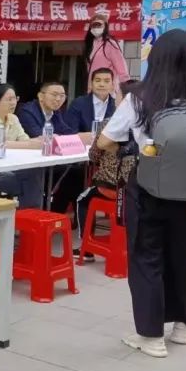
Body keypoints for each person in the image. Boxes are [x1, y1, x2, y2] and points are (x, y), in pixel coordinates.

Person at [98, 31, 186, 358]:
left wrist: (143, 151)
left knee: (147, 257)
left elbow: (105, 141)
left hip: (148, 189)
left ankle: (151, 336)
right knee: (184, 256)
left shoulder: (140, 97)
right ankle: (184, 326)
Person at [75, 80, 138, 262]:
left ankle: (86, 248)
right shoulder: (147, 124)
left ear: (124, 99)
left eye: (117, 94)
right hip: (137, 188)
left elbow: (94, 156)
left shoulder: (109, 124)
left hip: (110, 187)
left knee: (82, 199)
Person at [18, 81, 91, 215]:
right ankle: (52, 212)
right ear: (41, 96)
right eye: (54, 95)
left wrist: (82, 136)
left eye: (62, 96)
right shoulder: (27, 111)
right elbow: (38, 136)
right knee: (73, 173)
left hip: (48, 159)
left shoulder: (55, 112)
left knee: (77, 172)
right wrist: (75, 137)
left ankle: (58, 214)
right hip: (29, 164)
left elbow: (66, 131)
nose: (58, 99)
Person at [0, 83, 45, 210]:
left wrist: (39, 141)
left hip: (10, 165)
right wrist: (30, 144)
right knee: (31, 181)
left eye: (15, 99)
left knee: (35, 173)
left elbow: (24, 140)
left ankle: (28, 215)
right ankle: (28, 215)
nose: (13, 103)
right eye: (9, 99)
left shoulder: (13, 118)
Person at [84, 16, 130, 86]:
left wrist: (126, 85)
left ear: (105, 26)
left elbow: (121, 67)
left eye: (99, 25)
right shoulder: (90, 45)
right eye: (94, 25)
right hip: (94, 86)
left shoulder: (110, 43)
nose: (96, 28)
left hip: (108, 86)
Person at [68, 68, 116, 132]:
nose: (102, 84)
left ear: (112, 85)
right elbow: (70, 131)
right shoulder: (78, 103)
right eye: (97, 81)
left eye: (106, 81)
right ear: (91, 84)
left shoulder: (118, 105)